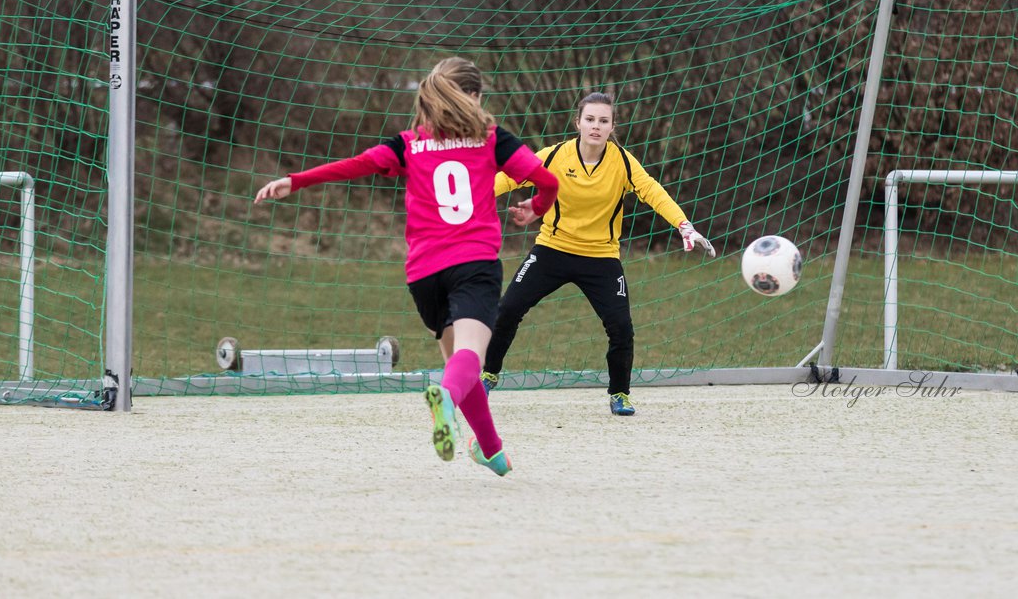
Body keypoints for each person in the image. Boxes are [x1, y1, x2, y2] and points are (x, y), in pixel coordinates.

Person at [255, 57, 558, 476]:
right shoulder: (492, 138)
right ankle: (445, 401)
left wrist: (298, 180)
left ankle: (491, 450)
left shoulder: (409, 142)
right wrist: (535, 208)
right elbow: (549, 181)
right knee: (469, 357)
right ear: (473, 97)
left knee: (458, 363)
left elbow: (357, 164)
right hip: (474, 261)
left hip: (424, 272)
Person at [486, 91, 716, 416]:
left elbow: (653, 191)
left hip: (601, 259)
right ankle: (488, 374)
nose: (596, 126)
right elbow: (510, 177)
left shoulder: (622, 162)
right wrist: (471, 196)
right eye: (590, 119)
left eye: (603, 121)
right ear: (578, 122)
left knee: (621, 327)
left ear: (612, 127)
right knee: (508, 309)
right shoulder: (554, 156)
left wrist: (683, 224)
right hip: (552, 249)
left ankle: (620, 394)